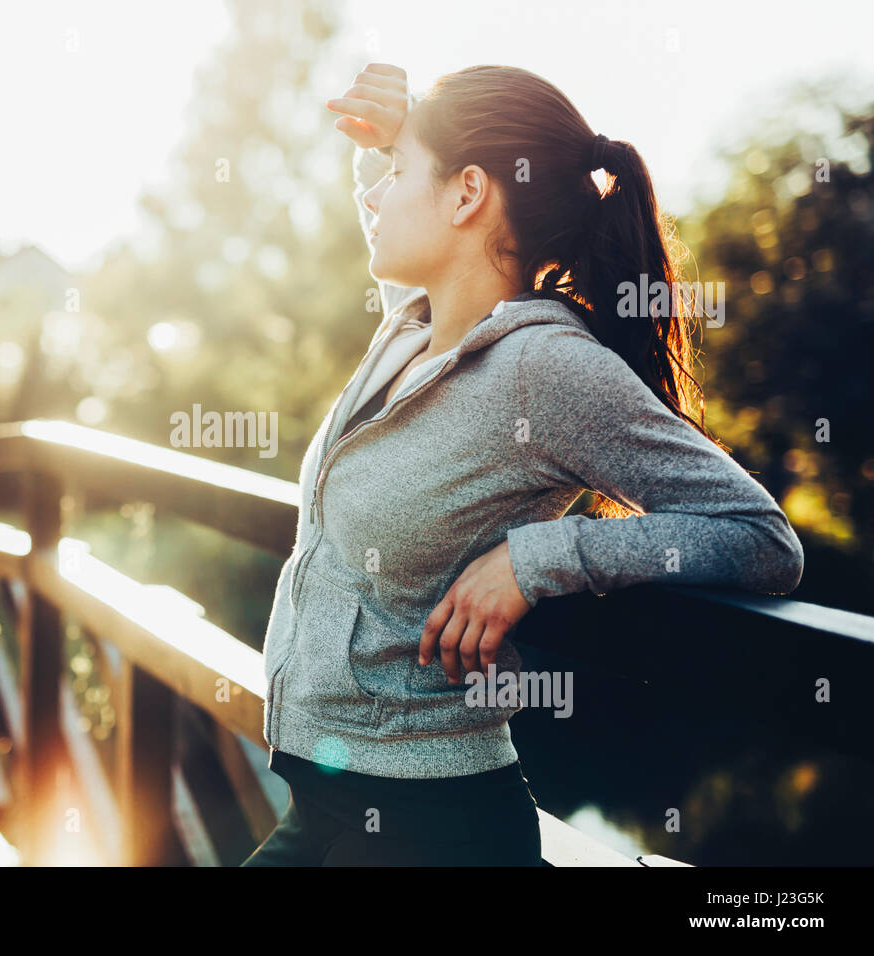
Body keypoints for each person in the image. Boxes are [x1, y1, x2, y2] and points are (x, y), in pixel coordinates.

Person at [241, 63, 805, 866]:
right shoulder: (411, 334)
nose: (370, 193)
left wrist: (540, 558)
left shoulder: (546, 369)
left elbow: (761, 537)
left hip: (432, 827)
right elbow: (406, 217)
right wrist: (395, 142)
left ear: (468, 194)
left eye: (397, 175)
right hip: (328, 798)